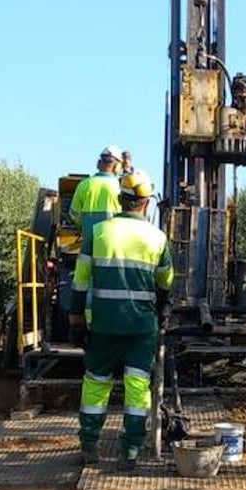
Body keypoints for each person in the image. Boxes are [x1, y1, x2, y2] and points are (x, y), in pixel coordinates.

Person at [70, 170, 174, 470]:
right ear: (145, 203)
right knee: (138, 387)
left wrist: (77, 319)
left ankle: (89, 445)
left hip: (103, 324)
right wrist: (164, 308)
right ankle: (129, 452)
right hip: (141, 328)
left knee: (96, 383)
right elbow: (165, 280)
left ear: (120, 199)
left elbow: (80, 282)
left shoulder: (98, 232)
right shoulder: (157, 237)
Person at [68, 145, 125, 244]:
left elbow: (74, 214)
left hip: (88, 243)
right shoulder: (120, 188)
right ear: (117, 166)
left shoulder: (83, 185)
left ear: (99, 163)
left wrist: (84, 228)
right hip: (112, 243)